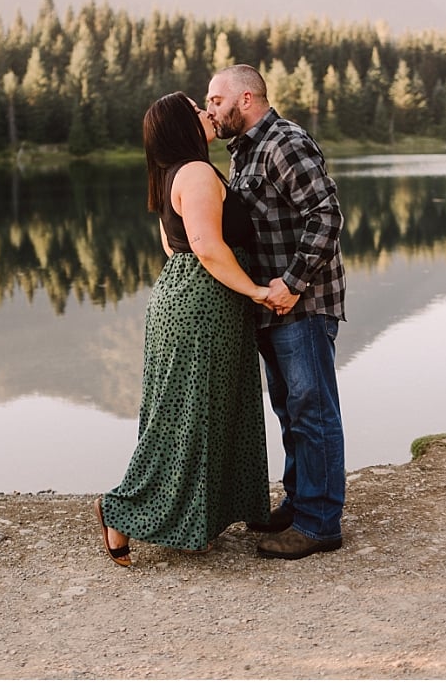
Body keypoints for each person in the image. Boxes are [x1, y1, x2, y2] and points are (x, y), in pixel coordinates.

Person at [94, 91, 274, 567]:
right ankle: (118, 511)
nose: (207, 113)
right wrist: (255, 291)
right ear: (182, 127)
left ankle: (197, 519)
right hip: (203, 306)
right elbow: (205, 248)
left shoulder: (170, 175)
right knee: (187, 415)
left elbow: (174, 250)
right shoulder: (194, 174)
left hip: (189, 298)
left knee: (198, 411)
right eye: (198, 110)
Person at [205, 64, 347, 561]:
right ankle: (300, 501)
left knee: (313, 412)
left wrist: (292, 283)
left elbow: (327, 215)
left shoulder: (283, 142)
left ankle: (320, 523)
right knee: (291, 411)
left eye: (217, 101)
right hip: (272, 305)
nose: (211, 110)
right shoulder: (246, 151)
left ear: (246, 98)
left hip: (301, 305)